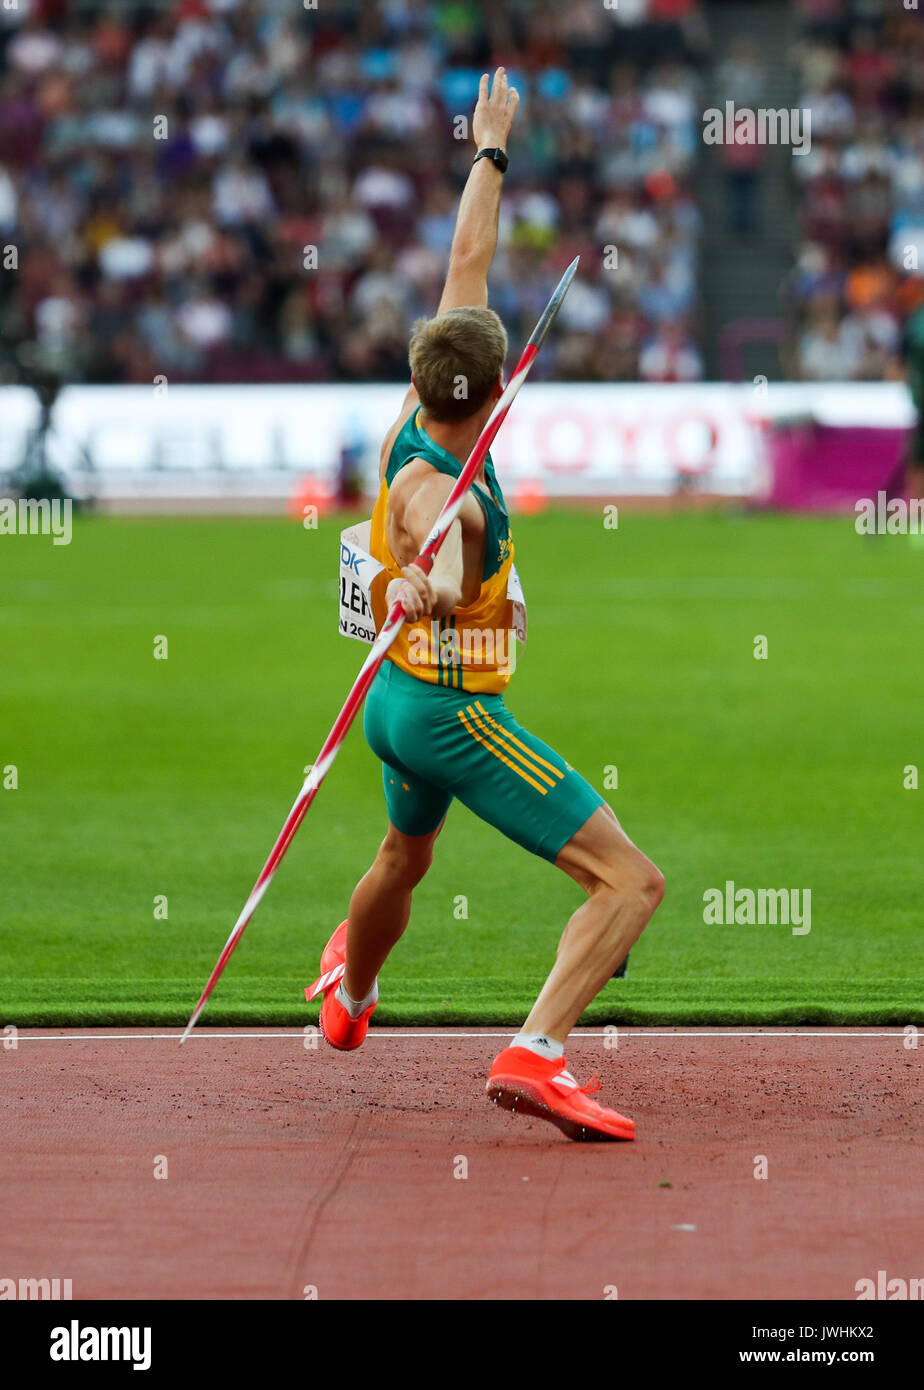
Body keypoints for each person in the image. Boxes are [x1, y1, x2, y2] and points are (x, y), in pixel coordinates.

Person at [307, 70, 664, 1142]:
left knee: (402, 858)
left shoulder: (432, 393)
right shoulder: (435, 485)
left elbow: (467, 259)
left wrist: (491, 150)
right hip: (453, 713)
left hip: (396, 705)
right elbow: (442, 549)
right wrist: (430, 575)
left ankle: (350, 995)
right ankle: (536, 1050)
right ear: (494, 386)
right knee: (630, 885)